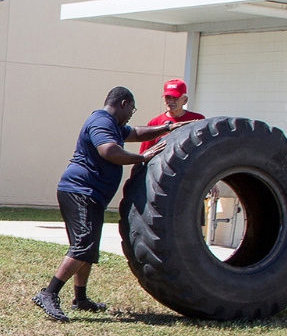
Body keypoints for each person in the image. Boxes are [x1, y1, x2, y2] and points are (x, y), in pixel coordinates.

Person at [32, 87, 179, 322]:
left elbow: (136, 132)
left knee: (87, 248)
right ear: (123, 103)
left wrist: (166, 128)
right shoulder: (101, 122)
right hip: (81, 191)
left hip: (90, 193)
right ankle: (48, 293)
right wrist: (142, 157)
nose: (132, 114)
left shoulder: (112, 125)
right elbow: (109, 150)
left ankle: (80, 299)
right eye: (132, 108)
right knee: (83, 246)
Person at [139, 78, 204, 152]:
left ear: (185, 100)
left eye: (175, 98)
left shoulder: (198, 120)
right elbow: (143, 154)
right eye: (167, 97)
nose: (170, 101)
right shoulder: (154, 123)